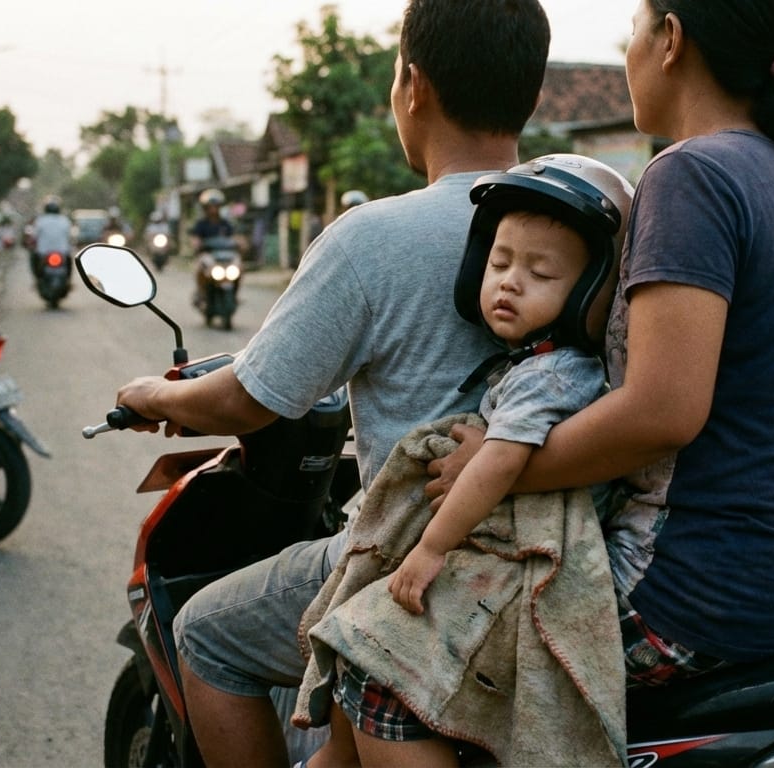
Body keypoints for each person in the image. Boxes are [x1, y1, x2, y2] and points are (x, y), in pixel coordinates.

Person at [110, 2, 551, 765]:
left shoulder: (372, 238)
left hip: (406, 550)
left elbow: (248, 397)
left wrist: (154, 395)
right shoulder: (575, 218)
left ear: (413, 85)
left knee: (204, 634)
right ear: (533, 93)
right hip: (544, 548)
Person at [428, 0, 774, 695]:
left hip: (692, 598)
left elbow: (662, 412)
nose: (628, 51)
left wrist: (496, 467)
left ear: (671, 38)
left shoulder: (691, 173)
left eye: (633, 30)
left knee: (386, 663)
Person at [301, 156, 633, 768]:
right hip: (496, 551)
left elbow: (499, 465)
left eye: (540, 273)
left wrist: (430, 548)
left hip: (515, 561)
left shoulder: (552, 376)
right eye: (499, 264)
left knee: (374, 658)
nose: (509, 283)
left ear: (591, 294)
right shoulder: (528, 364)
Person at [189, 188, 244, 306]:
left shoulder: (226, 223)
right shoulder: (201, 224)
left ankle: (235, 294)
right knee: (199, 268)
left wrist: (240, 243)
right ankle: (201, 293)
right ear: (205, 208)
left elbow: (235, 237)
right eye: (210, 207)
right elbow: (195, 238)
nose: (213, 209)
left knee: (239, 267)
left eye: (216, 206)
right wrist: (196, 243)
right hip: (208, 255)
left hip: (226, 255)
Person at [31, 196, 72, 278]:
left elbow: (34, 236)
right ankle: (68, 279)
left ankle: (37, 278)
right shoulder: (64, 220)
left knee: (33, 258)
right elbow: (70, 235)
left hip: (43, 252)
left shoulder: (40, 220)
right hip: (62, 251)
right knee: (69, 261)